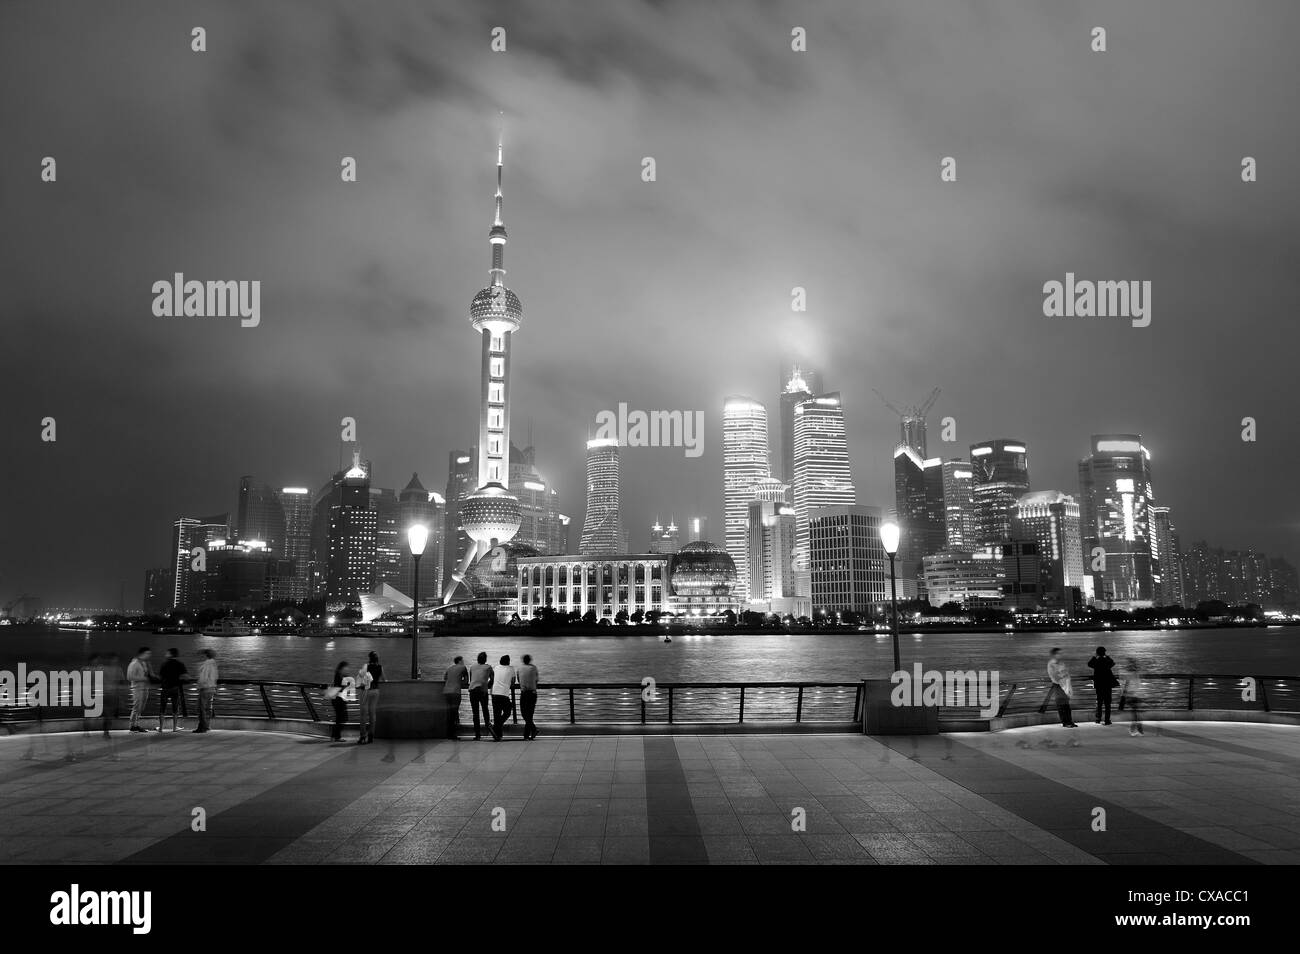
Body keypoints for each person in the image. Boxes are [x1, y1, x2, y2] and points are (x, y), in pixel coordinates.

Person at [1038, 647, 1077, 728]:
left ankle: (1070, 721)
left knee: (1067, 705)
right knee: (1061, 705)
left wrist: (1066, 680)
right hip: (1058, 686)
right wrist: (1063, 675)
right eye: (1059, 653)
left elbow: (1066, 673)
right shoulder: (1051, 664)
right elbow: (1055, 677)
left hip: (1065, 685)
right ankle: (1065, 723)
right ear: (1054, 655)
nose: (1061, 655)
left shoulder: (1061, 663)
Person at [126, 647, 156, 733]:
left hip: (145, 688)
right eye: (148, 653)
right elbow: (129, 677)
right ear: (142, 653)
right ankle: (132, 726)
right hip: (137, 688)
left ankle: (136, 724)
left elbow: (149, 675)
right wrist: (143, 678)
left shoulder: (145, 663)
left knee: (141, 708)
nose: (149, 655)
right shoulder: (134, 663)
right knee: (137, 707)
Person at [158, 648, 187, 732]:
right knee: (175, 708)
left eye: (167, 653)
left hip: (165, 688)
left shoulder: (164, 664)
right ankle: (174, 728)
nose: (166, 654)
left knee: (162, 708)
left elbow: (160, 677)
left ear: (171, 654)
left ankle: (161, 728)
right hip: (175, 688)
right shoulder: (180, 664)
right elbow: (186, 676)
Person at [1087, 646, 1117, 725]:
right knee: (1107, 703)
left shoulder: (1096, 661)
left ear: (1097, 653)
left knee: (1099, 702)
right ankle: (1107, 720)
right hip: (1107, 685)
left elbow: (1089, 664)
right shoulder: (1106, 661)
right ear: (1104, 652)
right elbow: (1113, 663)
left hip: (1099, 685)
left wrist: (1094, 657)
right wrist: (1107, 657)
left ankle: (1098, 719)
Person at [357, 651, 382, 744]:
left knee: (363, 715)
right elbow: (384, 679)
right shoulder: (380, 667)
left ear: (369, 658)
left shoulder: (366, 666)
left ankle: (363, 736)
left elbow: (361, 676)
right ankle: (371, 735)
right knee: (372, 714)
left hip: (366, 691)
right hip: (375, 691)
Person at [467, 652, 494, 741]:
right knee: (485, 710)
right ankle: (490, 729)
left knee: (475, 713)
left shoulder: (472, 667)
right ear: (485, 659)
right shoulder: (488, 667)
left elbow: (472, 679)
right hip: (482, 691)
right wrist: (487, 685)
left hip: (472, 691)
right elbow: (493, 679)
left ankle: (477, 735)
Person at [491, 654, 516, 742]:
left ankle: (497, 734)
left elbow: (493, 679)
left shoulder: (496, 668)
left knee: (497, 714)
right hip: (504, 694)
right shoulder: (511, 669)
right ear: (508, 662)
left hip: (494, 693)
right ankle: (496, 728)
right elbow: (513, 682)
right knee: (508, 711)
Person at [327, 661, 353, 742]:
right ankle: (336, 736)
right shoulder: (339, 677)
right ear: (342, 668)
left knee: (340, 718)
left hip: (337, 699)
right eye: (346, 668)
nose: (348, 669)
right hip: (338, 700)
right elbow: (341, 687)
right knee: (343, 718)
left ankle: (334, 736)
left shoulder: (340, 676)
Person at [1119, 658, 1145, 736]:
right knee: (1136, 713)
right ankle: (1137, 730)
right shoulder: (1136, 674)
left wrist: (1124, 695)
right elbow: (1136, 686)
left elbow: (1125, 686)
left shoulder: (1129, 674)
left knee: (1135, 713)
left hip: (1132, 696)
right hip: (1135, 696)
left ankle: (1135, 730)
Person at [444, 656, 468, 739]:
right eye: (463, 660)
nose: (463, 662)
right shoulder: (463, 667)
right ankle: (453, 734)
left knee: (449, 713)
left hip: (446, 691)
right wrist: (459, 682)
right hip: (455, 692)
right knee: (454, 713)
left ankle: (448, 734)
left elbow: (445, 678)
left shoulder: (449, 668)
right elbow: (466, 681)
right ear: (460, 661)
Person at [195, 650, 218, 733]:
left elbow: (203, 677)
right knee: (208, 708)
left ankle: (202, 727)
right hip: (212, 688)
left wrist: (199, 686)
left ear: (205, 655)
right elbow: (216, 677)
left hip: (205, 688)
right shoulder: (214, 664)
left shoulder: (206, 664)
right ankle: (207, 726)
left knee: (201, 708)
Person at [517, 654, 539, 741]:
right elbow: (536, 680)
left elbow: (519, 680)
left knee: (524, 713)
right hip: (532, 693)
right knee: (529, 714)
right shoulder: (534, 668)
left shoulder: (519, 668)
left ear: (523, 660)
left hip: (524, 693)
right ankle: (532, 730)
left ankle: (527, 734)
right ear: (530, 660)